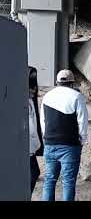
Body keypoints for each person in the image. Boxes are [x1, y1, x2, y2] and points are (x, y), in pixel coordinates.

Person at [40, 69, 88, 201]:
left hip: (50, 144)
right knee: (68, 182)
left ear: (57, 82)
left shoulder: (47, 96)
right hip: (70, 145)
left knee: (49, 180)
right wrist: (81, 141)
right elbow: (82, 121)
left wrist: (47, 138)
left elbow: (43, 121)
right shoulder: (77, 97)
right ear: (72, 83)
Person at [28, 66, 43, 196]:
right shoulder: (27, 103)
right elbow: (31, 127)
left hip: (30, 147)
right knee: (34, 173)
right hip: (27, 147)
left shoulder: (29, 102)